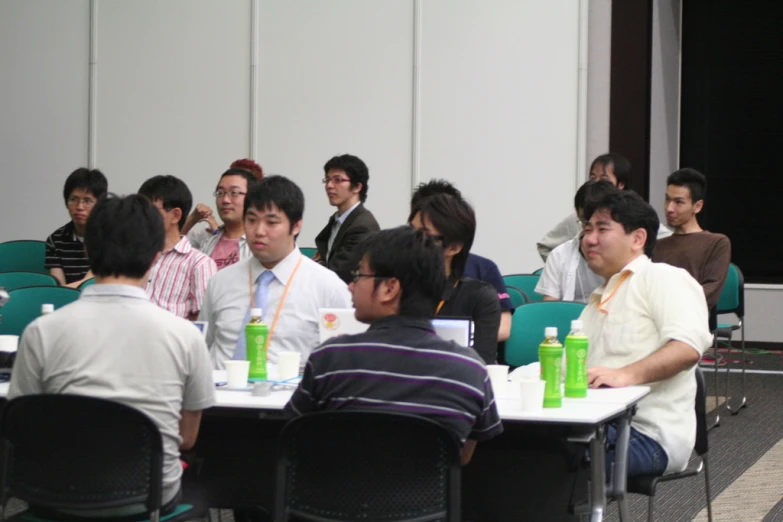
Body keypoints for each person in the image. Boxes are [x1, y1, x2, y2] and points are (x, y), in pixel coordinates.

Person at [9, 194, 215, 517]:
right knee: (200, 491)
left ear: (88, 250)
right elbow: (186, 439)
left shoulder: (41, 332)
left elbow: (21, 425)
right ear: (155, 256)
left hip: (55, 495)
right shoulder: (186, 336)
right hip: (145, 498)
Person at [285, 226, 503, 465]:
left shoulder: (330, 359)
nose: (351, 285)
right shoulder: (469, 370)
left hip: (332, 500)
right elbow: (461, 457)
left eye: (358, 275)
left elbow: (297, 436)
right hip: (427, 501)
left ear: (390, 288)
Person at [579, 189, 713, 477]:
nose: (589, 239)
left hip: (646, 434)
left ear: (638, 239)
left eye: (602, 229)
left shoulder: (664, 278)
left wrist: (625, 375)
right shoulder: (597, 299)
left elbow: (687, 348)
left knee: (550, 457)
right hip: (593, 422)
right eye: (587, 229)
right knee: (504, 439)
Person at [199, 175, 352, 370]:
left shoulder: (328, 287)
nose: (259, 231)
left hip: (287, 398)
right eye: (252, 220)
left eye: (271, 222)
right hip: (220, 396)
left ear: (296, 226)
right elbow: (205, 345)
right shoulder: (220, 282)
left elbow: (344, 361)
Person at [410, 179, 513, 341]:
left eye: (424, 233)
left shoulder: (483, 271)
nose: (412, 240)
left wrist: (458, 336)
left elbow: (503, 329)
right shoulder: (397, 278)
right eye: (411, 229)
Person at [536, 153, 672, 262]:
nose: (597, 184)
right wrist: (564, 271)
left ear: (621, 185)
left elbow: (669, 241)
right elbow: (545, 246)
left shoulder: (635, 215)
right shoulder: (578, 217)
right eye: (592, 178)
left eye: (604, 179)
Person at [139, 175, 217, 320]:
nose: (142, 216)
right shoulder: (133, 255)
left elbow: (203, 320)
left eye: (150, 210)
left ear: (175, 215)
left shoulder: (199, 263)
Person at [652, 168, 731, 310]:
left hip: (691, 321)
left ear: (697, 206)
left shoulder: (716, 243)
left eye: (679, 202)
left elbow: (709, 293)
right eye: (667, 199)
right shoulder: (658, 245)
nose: (669, 208)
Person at [534, 180, 612, 303]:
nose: (591, 235)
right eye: (586, 224)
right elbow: (550, 309)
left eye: (601, 227)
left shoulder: (623, 255)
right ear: (577, 214)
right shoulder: (559, 255)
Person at [314, 154, 380, 284]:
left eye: (337, 180)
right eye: (327, 180)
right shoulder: (338, 219)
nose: (329, 185)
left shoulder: (363, 226)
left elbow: (338, 273)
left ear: (357, 187)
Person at [183, 165, 262, 268]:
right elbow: (171, 247)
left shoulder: (262, 241)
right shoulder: (207, 238)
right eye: (220, 193)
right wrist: (192, 218)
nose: (225, 200)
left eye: (234, 193)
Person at [45, 167, 107, 288]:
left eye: (87, 201)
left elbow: (95, 282)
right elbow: (58, 288)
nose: (79, 207)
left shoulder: (110, 235)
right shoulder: (56, 240)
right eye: (73, 199)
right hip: (68, 301)